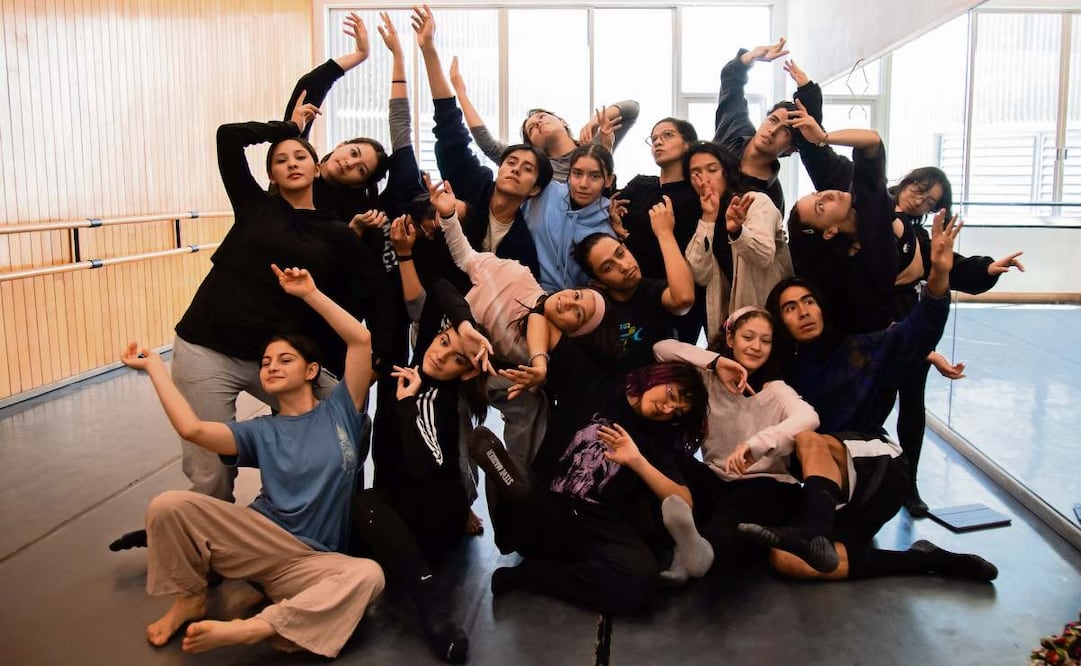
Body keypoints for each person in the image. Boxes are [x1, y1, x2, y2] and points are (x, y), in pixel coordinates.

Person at [125, 265, 383, 657]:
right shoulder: (260, 430)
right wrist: (155, 368)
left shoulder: (342, 411)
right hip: (258, 538)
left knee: (368, 575)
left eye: (284, 359)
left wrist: (309, 293)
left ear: (311, 370)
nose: (272, 366)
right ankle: (190, 598)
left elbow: (360, 339)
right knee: (168, 506)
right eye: (265, 363)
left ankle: (256, 628)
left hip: (311, 559)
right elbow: (192, 429)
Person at [739, 212, 998, 584]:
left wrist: (938, 277)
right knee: (785, 559)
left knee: (808, 437)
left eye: (808, 301)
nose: (804, 311)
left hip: (879, 469)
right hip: (832, 497)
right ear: (781, 323)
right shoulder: (781, 375)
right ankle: (924, 561)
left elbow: (917, 331)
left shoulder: (860, 349)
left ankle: (815, 531)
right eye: (790, 308)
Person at [469, 323, 707, 614]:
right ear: (659, 376)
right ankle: (505, 479)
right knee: (523, 490)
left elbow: (684, 501)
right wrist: (540, 366)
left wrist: (637, 462)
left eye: (678, 412)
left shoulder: (654, 440)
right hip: (546, 506)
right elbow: (542, 321)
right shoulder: (596, 384)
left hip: (594, 525)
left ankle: (531, 575)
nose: (668, 409)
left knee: (641, 584)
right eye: (672, 395)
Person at [651, 306, 818, 583]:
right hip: (718, 478)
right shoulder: (707, 379)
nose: (756, 346)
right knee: (666, 455)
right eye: (748, 337)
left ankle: (693, 555)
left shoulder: (776, 390)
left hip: (767, 483)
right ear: (730, 339)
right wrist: (715, 362)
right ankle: (690, 546)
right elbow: (661, 349)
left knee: (733, 518)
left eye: (765, 341)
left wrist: (759, 444)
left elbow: (809, 417)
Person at [415, 5, 550, 278]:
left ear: (534, 189)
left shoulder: (522, 241)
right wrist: (428, 50)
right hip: (435, 289)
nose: (514, 169)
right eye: (511, 162)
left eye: (526, 169)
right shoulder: (473, 184)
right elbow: (449, 127)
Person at [450, 57, 640, 183]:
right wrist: (461, 92)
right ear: (533, 145)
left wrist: (594, 123)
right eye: (531, 128)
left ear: (563, 122)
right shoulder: (537, 166)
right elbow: (488, 144)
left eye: (542, 117)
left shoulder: (594, 145)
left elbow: (632, 109)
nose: (538, 123)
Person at [682, 140, 793, 336]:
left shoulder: (755, 201)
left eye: (712, 169)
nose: (705, 179)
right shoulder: (704, 216)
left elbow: (763, 256)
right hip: (733, 324)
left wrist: (737, 232)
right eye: (696, 173)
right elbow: (699, 274)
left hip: (771, 314)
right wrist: (709, 217)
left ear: (726, 171)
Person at [573, 203, 695, 373]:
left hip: (660, 387)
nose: (623, 266)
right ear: (598, 283)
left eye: (620, 253)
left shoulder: (651, 290)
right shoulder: (595, 311)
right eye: (608, 267)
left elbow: (683, 299)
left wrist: (665, 233)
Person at [612, 117, 704, 342]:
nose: (658, 142)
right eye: (653, 139)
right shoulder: (640, 185)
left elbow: (689, 253)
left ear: (688, 144)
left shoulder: (698, 196)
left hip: (678, 297)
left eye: (667, 135)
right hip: (631, 293)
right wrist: (613, 222)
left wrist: (625, 235)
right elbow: (609, 213)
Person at [711, 38, 798, 212]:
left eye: (785, 132)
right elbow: (731, 80)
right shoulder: (736, 128)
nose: (773, 131)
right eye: (773, 120)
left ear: (790, 149)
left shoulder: (772, 197)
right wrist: (751, 58)